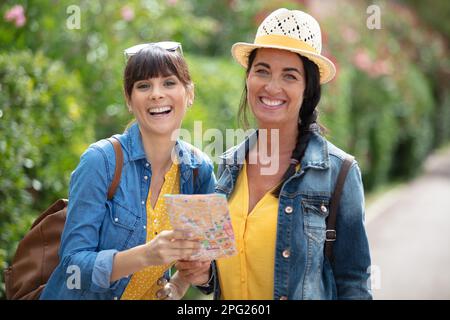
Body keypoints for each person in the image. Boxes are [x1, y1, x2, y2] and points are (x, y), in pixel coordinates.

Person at [179, 8, 372, 300]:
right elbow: (222, 275)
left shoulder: (338, 174)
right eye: (262, 70)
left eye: (289, 76)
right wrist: (203, 274)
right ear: (248, 78)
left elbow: (354, 284)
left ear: (308, 89)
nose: (272, 86)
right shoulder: (229, 165)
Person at [40, 42, 214, 300]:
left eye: (169, 83)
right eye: (143, 86)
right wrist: (146, 255)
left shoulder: (198, 170)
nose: (156, 94)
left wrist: (177, 285)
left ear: (189, 94)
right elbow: (73, 266)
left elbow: (206, 259)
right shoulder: (100, 161)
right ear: (129, 100)